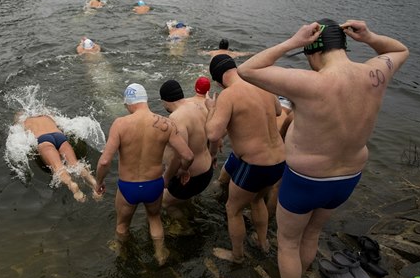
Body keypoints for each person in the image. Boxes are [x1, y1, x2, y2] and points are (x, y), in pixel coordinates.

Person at [236, 19, 409, 278]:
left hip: (305, 180)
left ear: (313, 50)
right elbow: (401, 49)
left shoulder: (310, 82)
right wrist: (369, 36)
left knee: (288, 242)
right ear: (343, 46)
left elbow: (247, 69)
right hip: (348, 178)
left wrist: (292, 42)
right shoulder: (375, 73)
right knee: (311, 233)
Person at [94, 83, 194, 265]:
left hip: (128, 187)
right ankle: (160, 253)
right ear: (145, 101)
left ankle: (123, 255)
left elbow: (104, 161)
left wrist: (99, 182)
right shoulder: (166, 124)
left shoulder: (120, 124)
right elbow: (187, 155)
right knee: (155, 218)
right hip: (153, 184)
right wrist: (183, 170)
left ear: (129, 103)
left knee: (122, 226)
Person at [205, 54, 286, 263]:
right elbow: (278, 111)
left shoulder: (228, 95)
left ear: (217, 80)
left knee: (233, 209)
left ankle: (237, 255)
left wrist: (211, 110)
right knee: (258, 200)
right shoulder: (261, 85)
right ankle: (263, 242)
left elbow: (213, 134)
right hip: (279, 161)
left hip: (255, 165)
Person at [159, 80, 214, 227]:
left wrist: (168, 177)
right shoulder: (197, 105)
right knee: (182, 199)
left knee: (165, 203)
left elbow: (182, 155)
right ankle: (190, 211)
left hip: (193, 177)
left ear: (164, 101)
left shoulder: (176, 118)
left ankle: (185, 228)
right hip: (207, 168)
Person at [20, 114, 99, 203]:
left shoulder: (25, 121)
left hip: (43, 139)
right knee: (75, 164)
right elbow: (63, 124)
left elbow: (20, 138)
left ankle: (72, 185)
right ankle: (93, 182)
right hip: (59, 136)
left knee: (58, 168)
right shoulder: (47, 116)